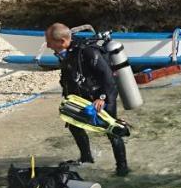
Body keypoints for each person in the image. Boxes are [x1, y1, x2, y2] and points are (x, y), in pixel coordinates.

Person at [44, 23, 129, 176]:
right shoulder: (67, 51)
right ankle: (86, 158)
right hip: (80, 97)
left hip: (102, 96)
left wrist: (102, 98)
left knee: (112, 129)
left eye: (50, 41)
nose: (48, 45)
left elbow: (108, 77)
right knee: (74, 125)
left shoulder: (88, 51)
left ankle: (122, 168)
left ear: (62, 41)